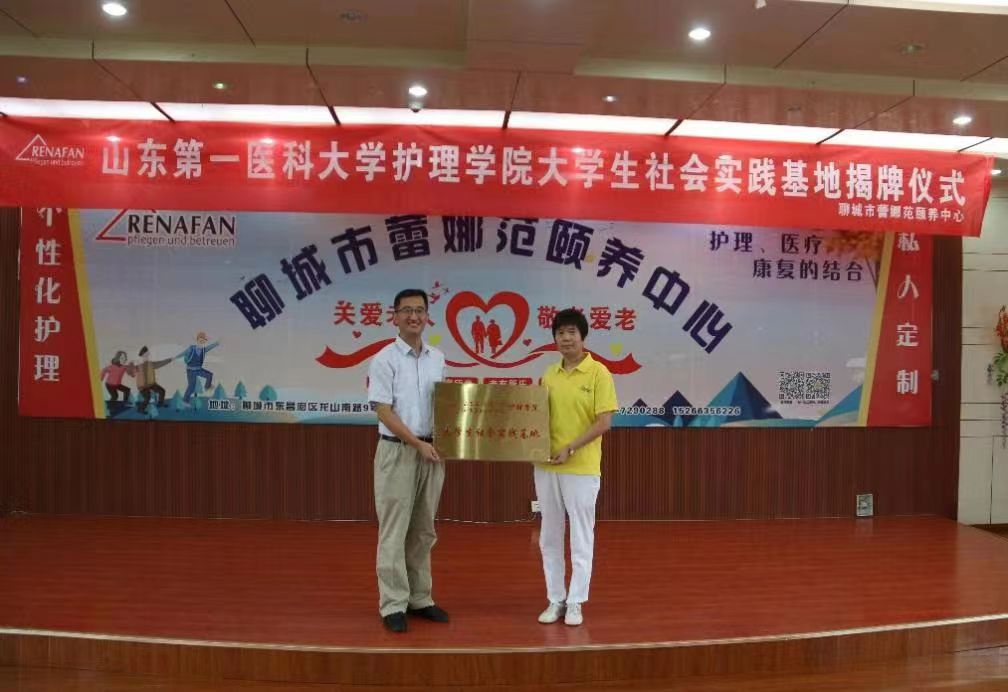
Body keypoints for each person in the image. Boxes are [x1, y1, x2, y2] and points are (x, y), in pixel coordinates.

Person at [367, 288, 449, 633]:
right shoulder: (384, 359)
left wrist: (449, 439)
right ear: (395, 317)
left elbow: (445, 405)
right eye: (407, 311)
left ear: (427, 316)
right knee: (394, 529)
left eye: (419, 310)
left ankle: (420, 597)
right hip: (398, 451)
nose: (414, 316)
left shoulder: (437, 358)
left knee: (423, 530)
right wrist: (416, 443)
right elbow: (383, 411)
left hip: (433, 453)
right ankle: (393, 603)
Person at [535, 308, 618, 627]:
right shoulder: (548, 374)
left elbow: (604, 422)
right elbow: (535, 418)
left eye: (571, 332)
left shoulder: (599, 373)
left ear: (583, 336)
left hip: (581, 467)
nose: (566, 338)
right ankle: (555, 599)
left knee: (581, 536)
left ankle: (576, 602)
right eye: (560, 333)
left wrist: (570, 447)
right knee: (549, 536)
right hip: (546, 466)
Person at [177, 331, 220, 404]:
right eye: (200, 339)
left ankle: (207, 387)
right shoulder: (191, 348)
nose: (202, 341)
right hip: (191, 371)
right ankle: (185, 401)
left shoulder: (203, 350)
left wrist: (217, 343)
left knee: (209, 375)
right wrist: (175, 357)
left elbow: (210, 347)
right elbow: (184, 353)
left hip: (199, 369)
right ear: (197, 339)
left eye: (203, 340)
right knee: (191, 386)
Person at [135, 346, 171, 413]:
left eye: (147, 355)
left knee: (162, 391)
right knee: (147, 397)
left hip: (151, 384)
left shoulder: (151, 364)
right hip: (142, 386)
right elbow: (131, 369)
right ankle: (140, 409)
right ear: (142, 356)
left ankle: (160, 403)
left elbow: (160, 363)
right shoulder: (138, 365)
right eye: (145, 355)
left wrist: (169, 360)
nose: (147, 356)